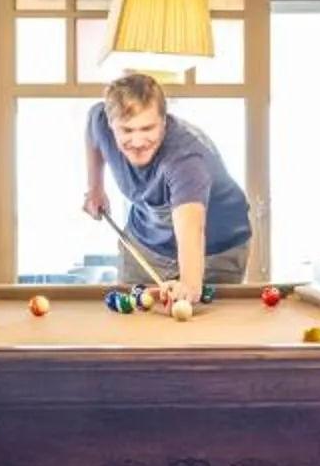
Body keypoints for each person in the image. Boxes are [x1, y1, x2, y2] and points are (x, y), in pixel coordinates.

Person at [83, 72, 252, 307]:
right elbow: (93, 127)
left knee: (206, 333)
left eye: (148, 128)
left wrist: (191, 285)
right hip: (145, 242)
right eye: (127, 131)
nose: (139, 141)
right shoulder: (101, 120)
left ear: (164, 120)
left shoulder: (185, 158)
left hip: (215, 249)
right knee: (131, 322)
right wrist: (95, 187)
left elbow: (191, 228)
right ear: (111, 125)